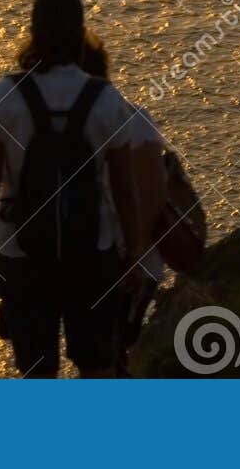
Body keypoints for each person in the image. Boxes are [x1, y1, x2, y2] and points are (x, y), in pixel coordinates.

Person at [0, 0, 143, 377]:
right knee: (97, 367)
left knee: (36, 371)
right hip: (93, 253)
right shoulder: (105, 99)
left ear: (33, 33)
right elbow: (124, 190)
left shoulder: (5, 97)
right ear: (81, 32)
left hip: (24, 254)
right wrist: (133, 255)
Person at [79, 34, 169, 375]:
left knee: (106, 356)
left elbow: (151, 196)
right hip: (119, 262)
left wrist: (132, 257)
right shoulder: (136, 118)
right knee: (106, 356)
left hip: (125, 263)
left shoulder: (126, 122)